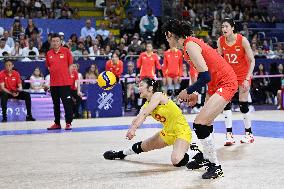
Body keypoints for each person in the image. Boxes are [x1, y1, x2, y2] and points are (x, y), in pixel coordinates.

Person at [162, 19, 238, 179]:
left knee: (200, 123)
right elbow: (205, 73)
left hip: (226, 81)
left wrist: (188, 90)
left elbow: (205, 75)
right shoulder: (186, 48)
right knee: (206, 122)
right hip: (214, 83)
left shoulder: (190, 45)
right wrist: (194, 93)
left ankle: (215, 166)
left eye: (166, 37)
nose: (166, 40)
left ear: (170, 34)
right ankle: (205, 156)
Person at [103, 78, 192, 168]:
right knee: (145, 145)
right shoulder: (146, 105)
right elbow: (140, 117)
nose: (138, 88)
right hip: (167, 132)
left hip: (182, 131)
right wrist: (132, 127)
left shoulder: (158, 95)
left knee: (176, 160)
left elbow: (145, 113)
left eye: (141, 85)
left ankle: (194, 152)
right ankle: (120, 154)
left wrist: (133, 129)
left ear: (150, 88)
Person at [217, 18, 255, 145]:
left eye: (226, 26)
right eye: (222, 27)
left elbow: (252, 61)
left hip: (242, 76)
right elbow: (219, 60)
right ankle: (229, 135)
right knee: (226, 104)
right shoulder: (221, 41)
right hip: (229, 76)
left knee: (243, 105)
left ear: (233, 28)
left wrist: (247, 78)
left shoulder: (242, 40)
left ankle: (249, 134)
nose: (224, 29)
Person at [45, 33, 74, 130]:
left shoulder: (66, 51)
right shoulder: (49, 53)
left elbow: (70, 66)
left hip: (65, 83)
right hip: (54, 84)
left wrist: (67, 77)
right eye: (53, 41)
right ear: (51, 42)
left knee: (67, 104)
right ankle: (57, 123)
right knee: (56, 104)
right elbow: (49, 67)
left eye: (57, 41)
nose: (55, 43)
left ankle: (68, 123)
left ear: (61, 42)